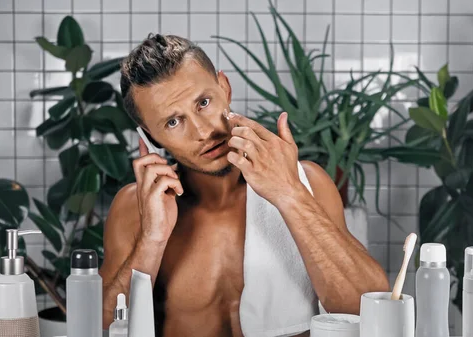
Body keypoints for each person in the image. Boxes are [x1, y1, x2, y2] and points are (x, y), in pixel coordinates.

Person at [99, 33, 390, 337]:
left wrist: (289, 194)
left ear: (224, 87)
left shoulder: (308, 184)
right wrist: (152, 238)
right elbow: (100, 328)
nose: (202, 131)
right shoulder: (136, 208)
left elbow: (373, 310)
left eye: (203, 102)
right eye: (173, 122)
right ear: (150, 134)